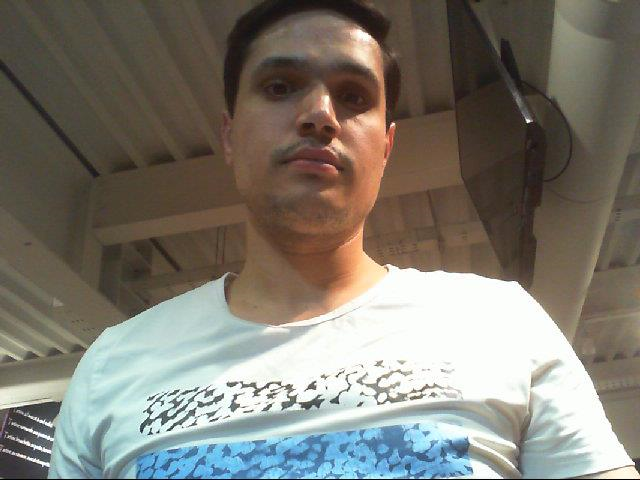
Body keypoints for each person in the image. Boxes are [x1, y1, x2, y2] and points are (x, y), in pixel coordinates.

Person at [49, 0, 638, 478]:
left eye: (354, 96)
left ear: (385, 148)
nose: (319, 115)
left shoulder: (501, 321)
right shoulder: (112, 365)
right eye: (280, 86)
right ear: (229, 136)